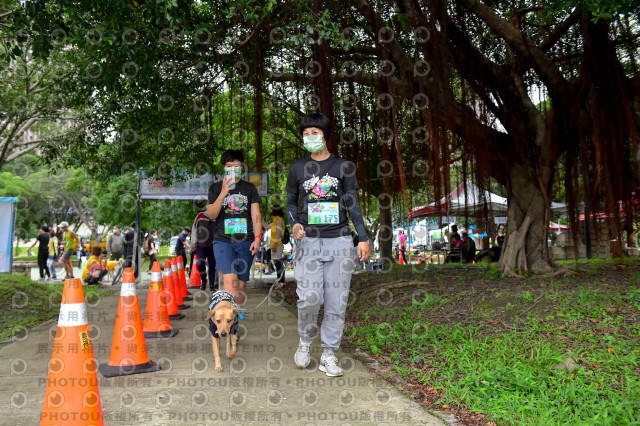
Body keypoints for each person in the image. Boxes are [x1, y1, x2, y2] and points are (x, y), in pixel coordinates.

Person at [286, 112, 369, 377]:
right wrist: (295, 225)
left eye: (314, 132)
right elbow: (290, 203)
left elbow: (353, 202)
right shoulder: (297, 168)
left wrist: (363, 237)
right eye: (305, 133)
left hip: (341, 240)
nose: (309, 137)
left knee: (337, 302)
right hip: (308, 242)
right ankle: (305, 340)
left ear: (326, 135)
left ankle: (329, 354)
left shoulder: (343, 166)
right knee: (309, 298)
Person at [207, 149, 262, 307]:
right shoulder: (215, 188)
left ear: (242, 166)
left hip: (246, 241)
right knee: (230, 281)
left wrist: (258, 239)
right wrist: (224, 192)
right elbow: (211, 214)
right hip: (223, 241)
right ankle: (230, 324)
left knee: (241, 286)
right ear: (224, 167)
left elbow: (256, 215)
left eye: (236, 165)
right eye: (229, 165)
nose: (233, 168)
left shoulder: (249, 188)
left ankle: (235, 314)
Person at [191, 211, 219, 291]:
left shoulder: (217, 216)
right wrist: (194, 241)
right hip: (201, 245)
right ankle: (203, 280)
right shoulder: (200, 215)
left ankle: (211, 285)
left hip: (213, 245)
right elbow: (194, 228)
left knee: (212, 266)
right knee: (200, 263)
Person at [270, 205, 287, 289]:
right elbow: (266, 226)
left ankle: (282, 282)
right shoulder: (275, 220)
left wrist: (275, 244)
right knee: (277, 264)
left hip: (278, 244)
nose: (271, 211)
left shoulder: (279, 220)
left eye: (272, 209)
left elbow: (278, 233)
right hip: (274, 244)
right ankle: (279, 281)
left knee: (279, 264)